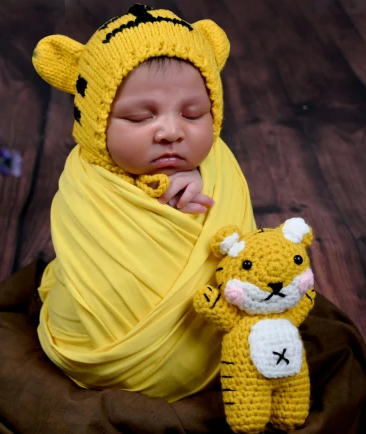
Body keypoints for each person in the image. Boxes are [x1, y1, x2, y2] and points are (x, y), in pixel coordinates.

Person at [31, 4, 256, 401]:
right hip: (101, 339)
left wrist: (202, 192)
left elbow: (242, 252)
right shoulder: (89, 183)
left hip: (207, 338)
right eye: (139, 118)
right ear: (96, 123)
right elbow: (97, 257)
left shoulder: (219, 170)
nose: (171, 131)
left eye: (193, 113)